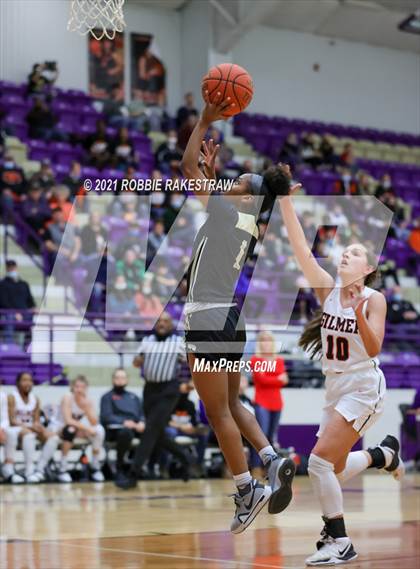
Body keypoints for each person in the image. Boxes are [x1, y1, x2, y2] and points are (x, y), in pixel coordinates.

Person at [180, 92, 296, 534]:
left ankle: (247, 488)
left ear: (245, 198)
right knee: (231, 402)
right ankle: (271, 457)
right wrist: (216, 175)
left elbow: (189, 170)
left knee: (217, 412)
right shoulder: (244, 217)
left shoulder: (229, 212)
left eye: (239, 181)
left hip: (207, 318)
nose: (231, 181)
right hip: (230, 318)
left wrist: (204, 120)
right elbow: (214, 187)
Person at [279, 169, 405, 566]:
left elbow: (374, 347)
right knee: (331, 467)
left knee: (317, 463)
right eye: (344, 251)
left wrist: (358, 314)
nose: (345, 254)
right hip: (335, 386)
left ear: (366, 269)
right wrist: (284, 199)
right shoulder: (327, 288)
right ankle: (381, 456)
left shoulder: (374, 298)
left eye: (353, 253)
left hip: (364, 385)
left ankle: (340, 541)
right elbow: (300, 246)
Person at [115, 312, 190, 488]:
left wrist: (188, 382)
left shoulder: (178, 343)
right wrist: (138, 360)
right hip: (150, 390)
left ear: (171, 325)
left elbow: (190, 363)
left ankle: (133, 474)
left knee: (150, 430)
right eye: (159, 321)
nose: (162, 323)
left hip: (168, 390)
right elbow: (135, 362)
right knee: (158, 434)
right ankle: (187, 459)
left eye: (166, 321)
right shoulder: (147, 341)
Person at [2, 372, 60, 483]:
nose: (27, 383)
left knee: (53, 438)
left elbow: (36, 421)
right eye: (24, 380)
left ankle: (40, 469)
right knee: (29, 435)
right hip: (14, 430)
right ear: (18, 383)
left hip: (29, 429)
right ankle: (29, 470)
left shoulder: (35, 399)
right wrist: (31, 427)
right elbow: (11, 420)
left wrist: (40, 428)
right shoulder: (12, 397)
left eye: (30, 380)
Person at [49, 375, 105, 483]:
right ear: (72, 387)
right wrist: (87, 429)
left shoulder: (87, 400)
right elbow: (68, 420)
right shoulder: (67, 397)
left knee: (99, 430)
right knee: (70, 430)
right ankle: (63, 468)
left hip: (76, 427)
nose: (79, 389)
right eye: (77, 387)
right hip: (59, 427)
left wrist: (86, 407)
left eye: (82, 387)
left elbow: (94, 422)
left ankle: (95, 465)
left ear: (86, 388)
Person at [249, 331, 288, 471]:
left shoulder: (279, 360)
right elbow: (261, 380)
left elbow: (285, 380)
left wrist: (272, 379)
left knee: (271, 437)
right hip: (261, 402)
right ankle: (255, 467)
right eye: (263, 340)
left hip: (277, 403)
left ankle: (269, 468)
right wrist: (277, 379)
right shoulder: (255, 360)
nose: (266, 343)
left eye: (268, 340)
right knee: (261, 436)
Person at [100, 368, 145, 483]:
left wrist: (141, 422)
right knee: (126, 432)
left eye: (123, 378)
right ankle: (120, 466)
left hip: (135, 428)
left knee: (155, 432)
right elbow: (106, 417)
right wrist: (123, 422)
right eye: (117, 378)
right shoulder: (107, 397)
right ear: (113, 380)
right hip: (115, 430)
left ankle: (147, 466)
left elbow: (142, 414)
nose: (120, 380)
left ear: (127, 380)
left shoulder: (134, 397)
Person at [0, 260, 36, 345]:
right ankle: (9, 348)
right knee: (9, 318)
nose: (12, 270)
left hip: (25, 313)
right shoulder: (2, 284)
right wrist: (15, 313)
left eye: (14, 267)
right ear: (7, 269)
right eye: (10, 268)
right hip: (9, 314)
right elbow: (3, 302)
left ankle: (27, 347)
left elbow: (30, 301)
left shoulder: (24, 284)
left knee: (34, 319)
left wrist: (34, 308)